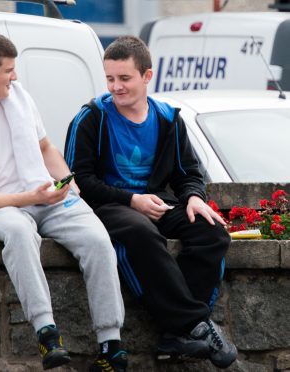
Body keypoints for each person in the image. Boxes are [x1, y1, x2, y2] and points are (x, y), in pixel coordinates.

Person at [0, 32, 127, 371]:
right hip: (0, 209)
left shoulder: (19, 97)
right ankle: (47, 334)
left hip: (44, 196)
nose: (15, 77)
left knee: (99, 240)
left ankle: (110, 344)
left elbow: (45, 149)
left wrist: (71, 188)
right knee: (20, 232)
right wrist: (32, 197)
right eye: (8, 70)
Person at [64, 36, 237, 369]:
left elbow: (188, 173)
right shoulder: (91, 118)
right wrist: (131, 199)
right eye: (110, 78)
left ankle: (178, 334)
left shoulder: (168, 118)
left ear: (147, 76)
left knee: (212, 232)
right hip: (108, 206)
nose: (116, 86)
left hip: (157, 202)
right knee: (141, 232)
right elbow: (80, 181)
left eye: (124, 78)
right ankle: (195, 324)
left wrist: (195, 198)